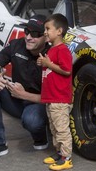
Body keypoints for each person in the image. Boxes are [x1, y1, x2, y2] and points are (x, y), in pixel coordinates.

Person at [0, 14, 50, 161]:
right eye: (27, 32)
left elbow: (55, 98)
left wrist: (24, 95)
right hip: (16, 100)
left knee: (32, 120)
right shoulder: (16, 45)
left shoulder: (52, 56)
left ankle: (40, 135)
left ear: (46, 37)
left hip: (39, 104)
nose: (29, 37)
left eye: (35, 34)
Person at [37, 14, 73, 170]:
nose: (45, 32)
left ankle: (66, 158)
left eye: (47, 29)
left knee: (62, 129)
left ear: (59, 31)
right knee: (54, 128)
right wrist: (43, 63)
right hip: (51, 98)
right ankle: (59, 153)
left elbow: (66, 70)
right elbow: (51, 68)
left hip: (60, 98)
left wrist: (48, 64)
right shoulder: (51, 49)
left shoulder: (62, 49)